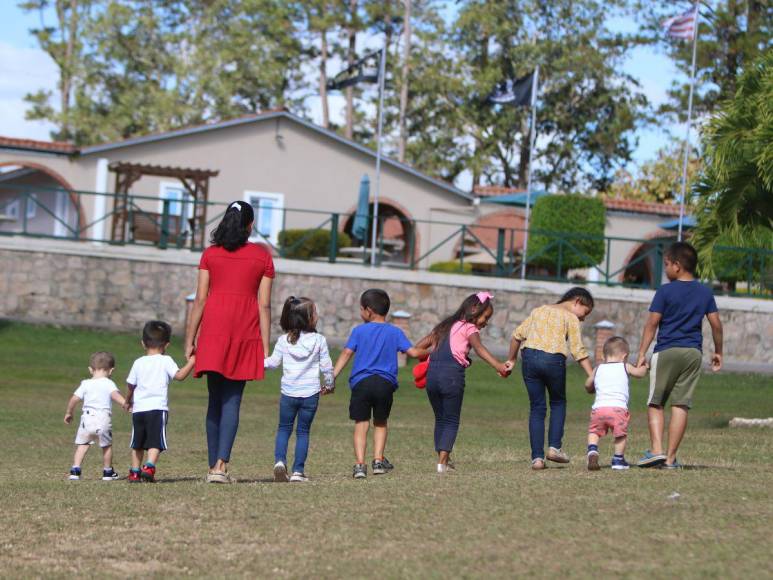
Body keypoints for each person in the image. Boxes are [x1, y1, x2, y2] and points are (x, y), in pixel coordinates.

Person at [185, 200, 274, 484]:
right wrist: (266, 344)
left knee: (215, 399)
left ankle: (213, 466)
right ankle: (221, 465)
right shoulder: (262, 257)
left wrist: (190, 339)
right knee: (233, 398)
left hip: (213, 328)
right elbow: (265, 305)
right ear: (250, 225)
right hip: (245, 329)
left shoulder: (210, 254)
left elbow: (199, 299)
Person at [635, 242, 723, 469]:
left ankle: (656, 451)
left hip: (667, 351)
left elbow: (652, 324)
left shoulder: (665, 291)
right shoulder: (705, 292)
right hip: (693, 353)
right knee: (681, 405)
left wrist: (642, 353)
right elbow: (716, 325)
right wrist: (718, 351)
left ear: (677, 265)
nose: (665, 269)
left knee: (656, 403)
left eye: (666, 264)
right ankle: (671, 460)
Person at [333, 289, 427, 479]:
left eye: (361, 309)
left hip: (361, 383)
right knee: (381, 422)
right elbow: (414, 353)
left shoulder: (359, 331)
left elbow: (346, 354)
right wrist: (434, 341)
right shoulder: (395, 332)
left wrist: (332, 376)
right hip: (385, 384)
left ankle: (360, 465)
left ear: (368, 310)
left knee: (361, 423)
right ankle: (377, 461)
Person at [418, 292, 512, 474]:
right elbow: (479, 348)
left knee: (441, 419)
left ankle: (443, 459)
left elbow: (420, 345)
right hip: (452, 376)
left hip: (432, 376)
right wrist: (499, 366)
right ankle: (442, 464)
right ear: (474, 309)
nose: (486, 322)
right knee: (452, 420)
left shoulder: (444, 326)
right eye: (485, 317)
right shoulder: (469, 328)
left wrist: (421, 358)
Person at [507, 287, 594, 470]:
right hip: (553, 360)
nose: (583, 318)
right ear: (577, 301)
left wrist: (512, 359)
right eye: (585, 313)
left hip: (529, 359)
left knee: (537, 408)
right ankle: (554, 447)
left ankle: (537, 459)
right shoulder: (569, 317)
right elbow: (577, 349)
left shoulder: (538, 310)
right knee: (558, 403)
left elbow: (516, 336)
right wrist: (592, 374)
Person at [264, 296, 334, 483]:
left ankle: (279, 462)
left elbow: (271, 364)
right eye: (315, 312)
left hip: (288, 393)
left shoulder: (283, 341)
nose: (317, 316)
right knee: (303, 432)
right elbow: (326, 367)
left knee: (284, 429)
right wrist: (329, 385)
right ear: (308, 318)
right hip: (310, 394)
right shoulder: (319, 340)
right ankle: (298, 471)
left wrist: (254, 364)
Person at [125, 321, 196, 483]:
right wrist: (192, 362)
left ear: (143, 343)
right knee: (155, 441)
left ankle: (134, 472)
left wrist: (128, 400)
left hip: (139, 409)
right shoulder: (166, 360)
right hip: (157, 409)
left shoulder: (138, 362)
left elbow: (131, 385)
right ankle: (149, 466)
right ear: (167, 344)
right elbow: (179, 376)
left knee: (137, 442)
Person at [584, 336, 648, 471]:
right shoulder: (625, 366)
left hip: (599, 409)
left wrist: (591, 387)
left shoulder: (598, 368)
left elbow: (588, 384)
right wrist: (644, 367)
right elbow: (639, 374)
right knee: (620, 435)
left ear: (603, 355)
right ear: (624, 356)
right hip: (618, 410)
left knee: (594, 431)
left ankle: (593, 450)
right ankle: (618, 459)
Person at [64, 351, 127, 481]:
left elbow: (74, 399)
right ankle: (107, 472)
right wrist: (126, 404)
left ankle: (75, 470)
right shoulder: (109, 383)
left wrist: (69, 412)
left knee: (83, 444)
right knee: (106, 446)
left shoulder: (85, 383)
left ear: (90, 369)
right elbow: (116, 396)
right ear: (111, 371)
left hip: (87, 419)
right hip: (103, 418)